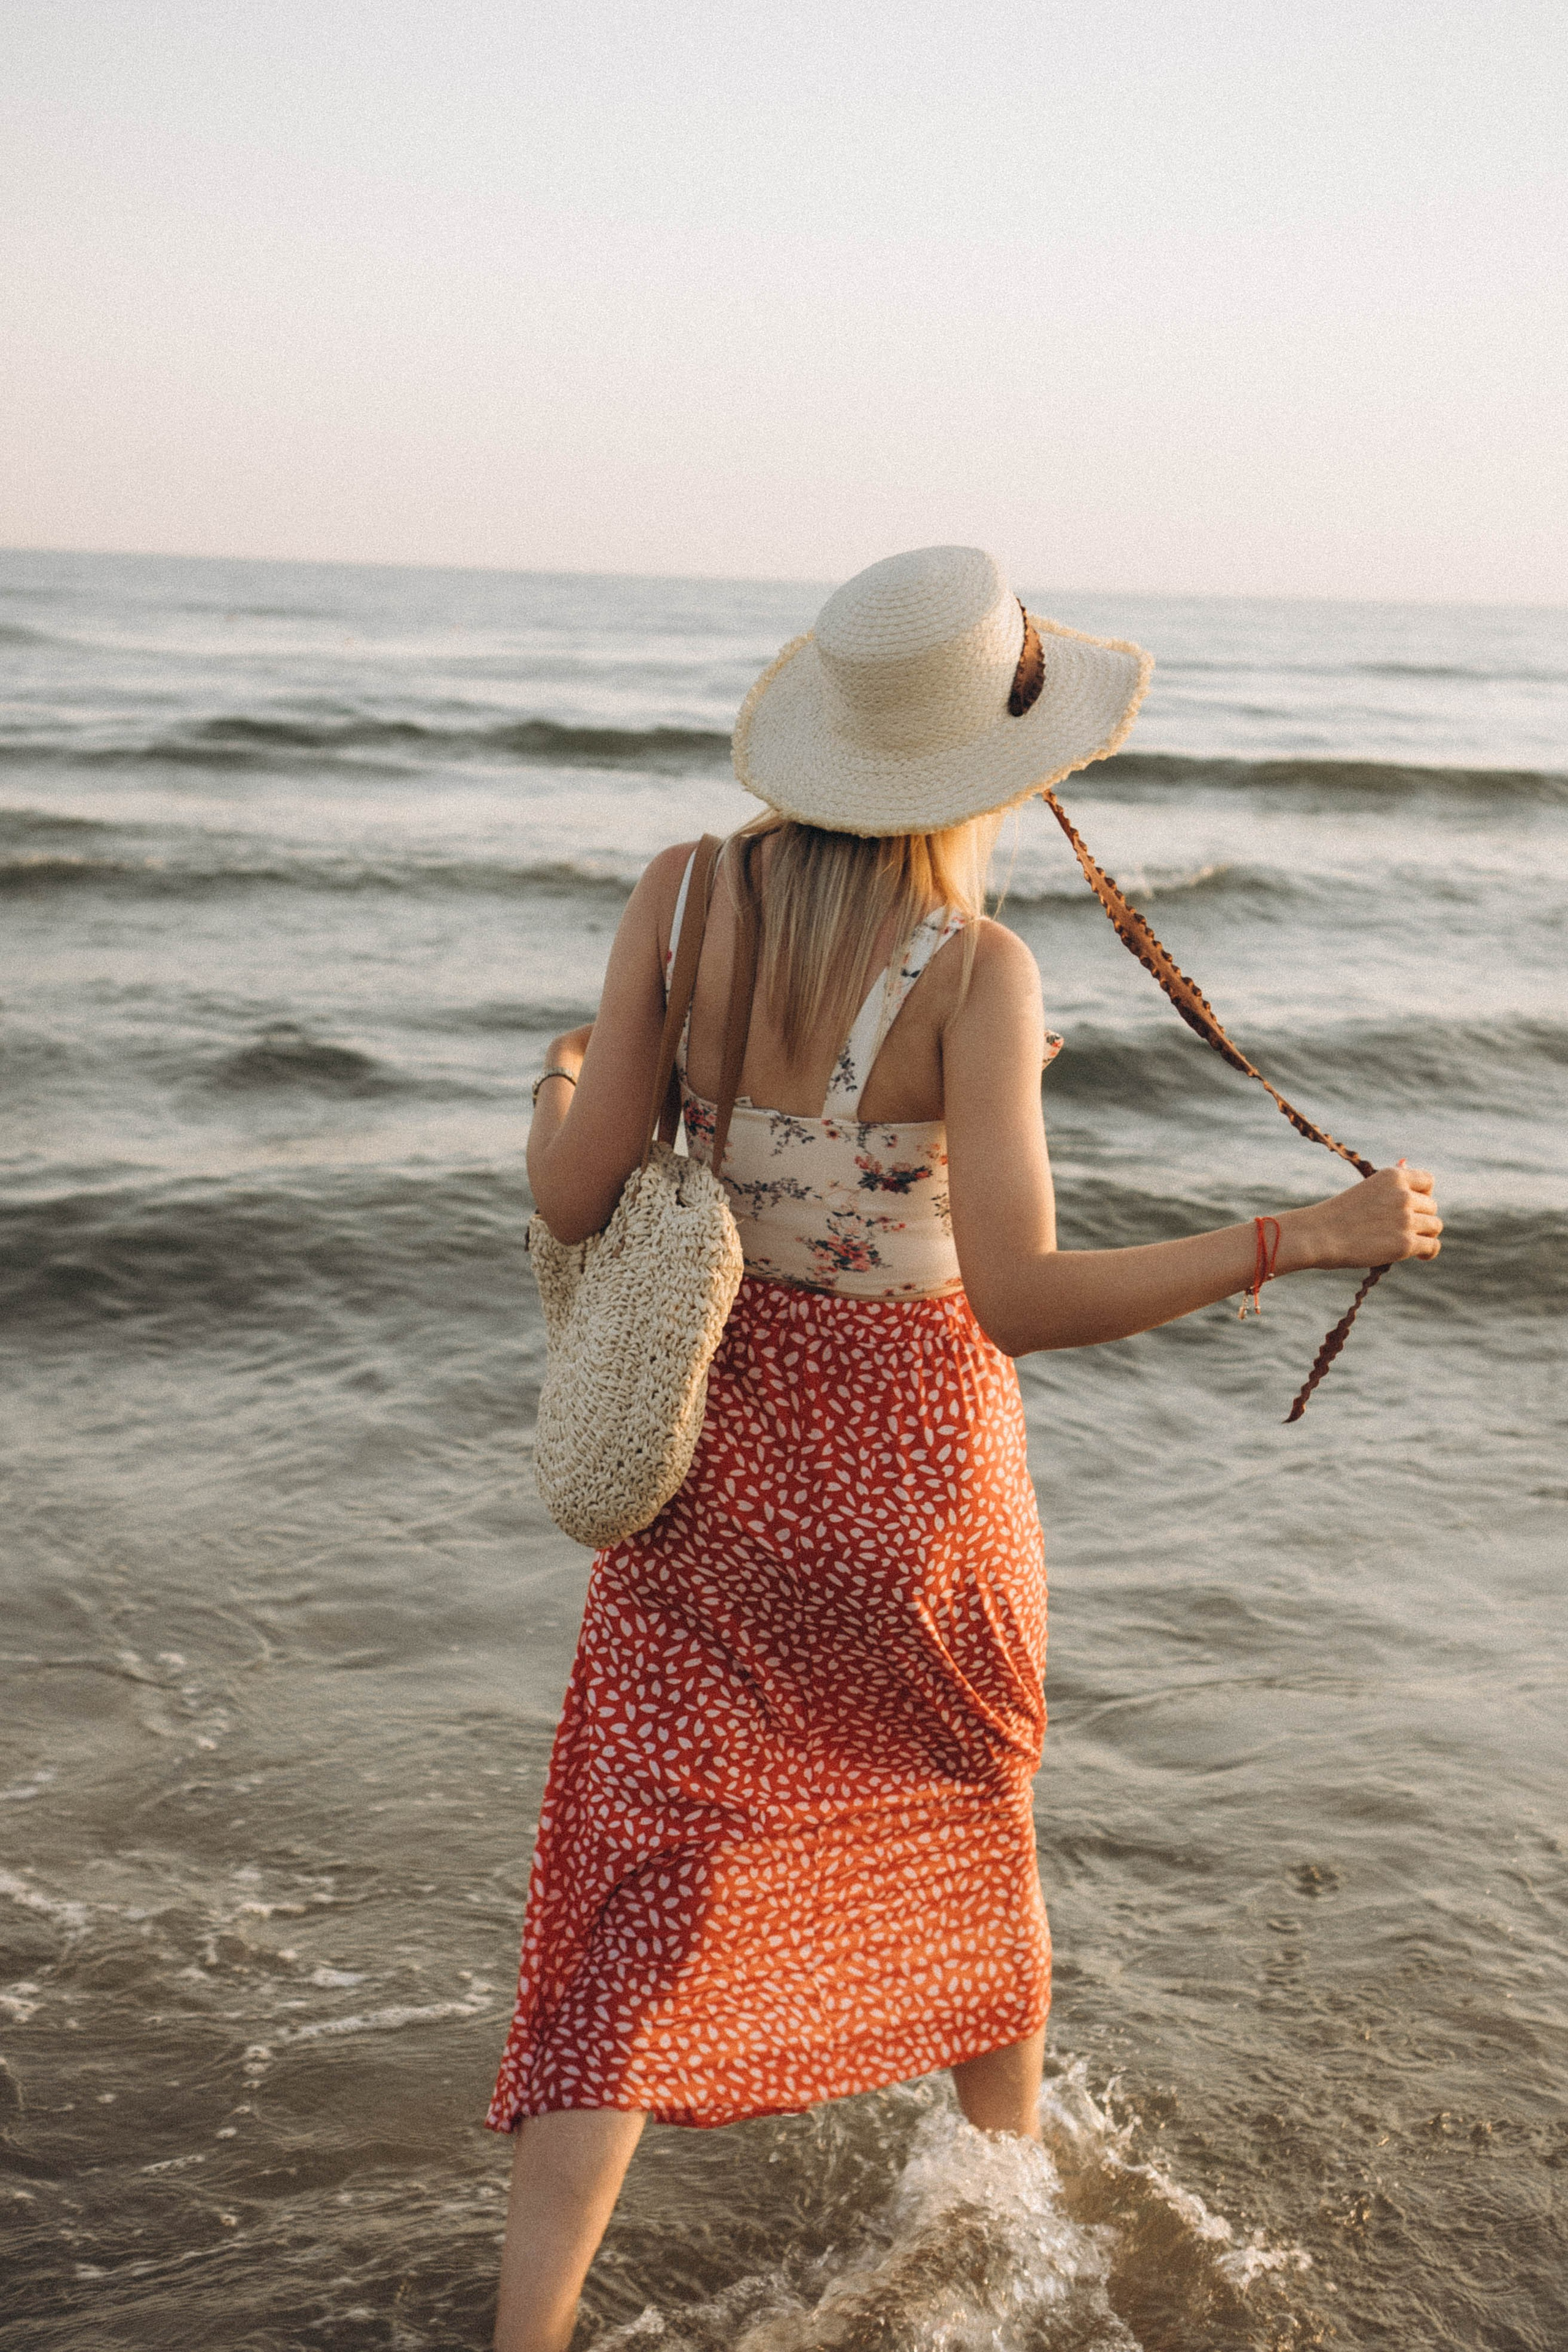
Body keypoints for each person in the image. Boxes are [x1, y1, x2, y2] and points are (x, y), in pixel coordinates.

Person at [488, 547, 1441, 2352]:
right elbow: (1015, 1296)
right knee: (968, 1818)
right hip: (919, 1483)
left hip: (713, 1472)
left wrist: (553, 1085)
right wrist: (1301, 1237)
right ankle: (999, 2233)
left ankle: (525, 2331)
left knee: (652, 1884)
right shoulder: (977, 972)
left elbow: (571, 1185)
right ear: (987, 769)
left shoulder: (683, 897)